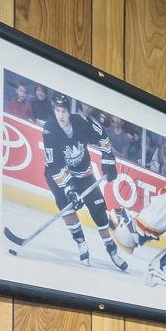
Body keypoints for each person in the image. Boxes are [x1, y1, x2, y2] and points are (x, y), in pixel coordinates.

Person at [36, 92, 131, 271]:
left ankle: (112, 251)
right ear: (54, 110)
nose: (61, 115)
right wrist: (70, 190)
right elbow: (55, 165)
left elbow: (102, 135)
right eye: (57, 110)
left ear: (69, 111)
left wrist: (108, 159)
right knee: (67, 208)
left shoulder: (80, 122)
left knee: (99, 211)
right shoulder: (50, 130)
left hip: (83, 173)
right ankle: (81, 243)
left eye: (64, 111)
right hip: (58, 175)